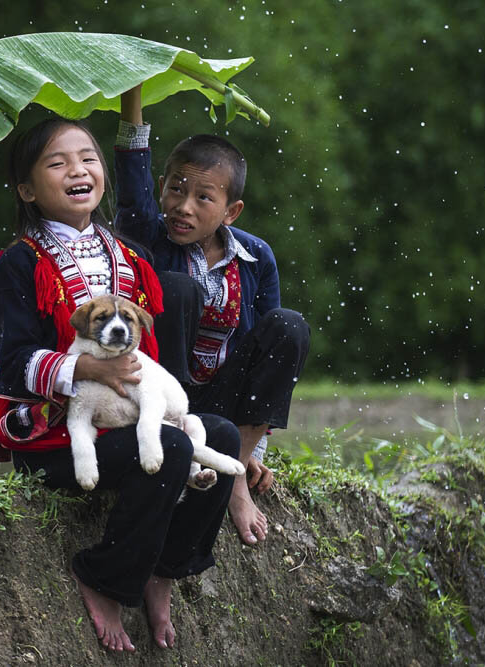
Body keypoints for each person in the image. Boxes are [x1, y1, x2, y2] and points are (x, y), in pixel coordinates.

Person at [0, 116, 242, 652]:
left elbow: (150, 362)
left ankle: (164, 572)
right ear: (27, 189)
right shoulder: (19, 263)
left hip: (125, 417)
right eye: (58, 162)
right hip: (57, 435)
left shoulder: (129, 257)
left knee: (222, 435)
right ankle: (103, 576)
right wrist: (87, 370)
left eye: (88, 158)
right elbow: (15, 362)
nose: (79, 169)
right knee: (168, 444)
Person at [113, 85, 311, 547]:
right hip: (166, 399)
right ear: (161, 189)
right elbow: (131, 169)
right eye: (176, 189)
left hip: (223, 399)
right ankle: (182, 447)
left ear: (231, 211)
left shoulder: (257, 256)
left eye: (204, 198)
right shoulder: (147, 234)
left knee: (289, 326)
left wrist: (255, 448)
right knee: (175, 288)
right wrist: (132, 92)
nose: (183, 206)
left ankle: (236, 474)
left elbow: (269, 355)